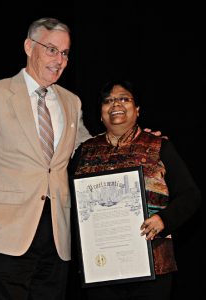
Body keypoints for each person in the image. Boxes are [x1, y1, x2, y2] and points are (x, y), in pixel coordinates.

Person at [0, 17, 92, 300]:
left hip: (56, 236)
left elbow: (89, 151)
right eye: (51, 49)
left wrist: (130, 140)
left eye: (65, 53)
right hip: (3, 232)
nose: (60, 60)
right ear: (29, 46)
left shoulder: (71, 101)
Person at [68, 79, 201, 300]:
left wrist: (163, 220)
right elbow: (69, 202)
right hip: (100, 268)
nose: (115, 104)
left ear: (137, 110)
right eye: (108, 101)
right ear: (100, 114)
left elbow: (191, 196)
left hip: (153, 266)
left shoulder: (159, 146)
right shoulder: (85, 151)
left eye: (124, 99)